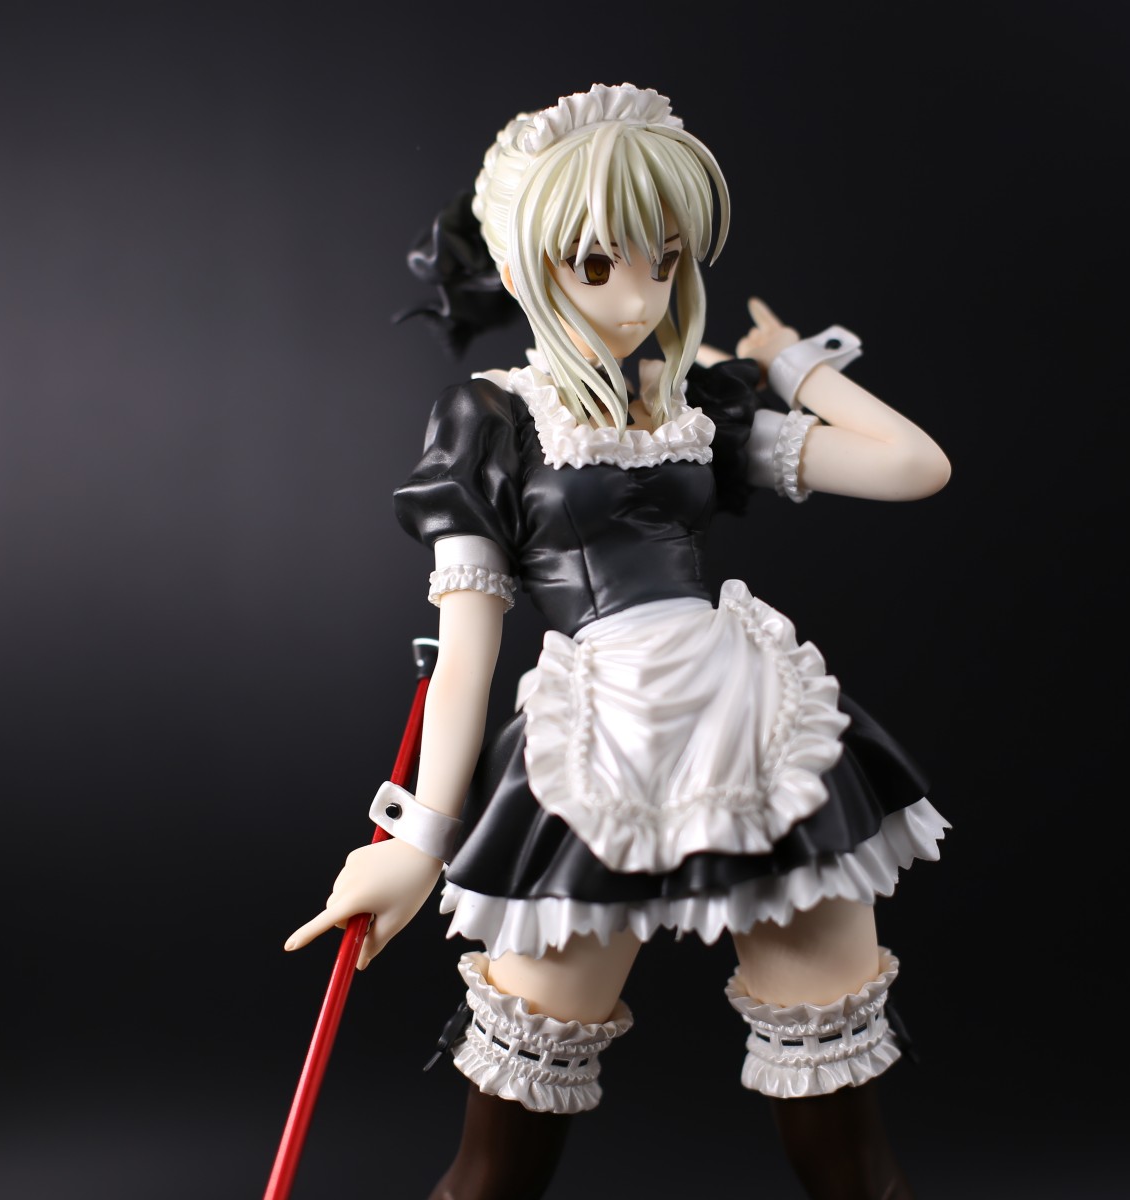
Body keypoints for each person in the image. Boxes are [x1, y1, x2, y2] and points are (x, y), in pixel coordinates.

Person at [286, 83, 952, 1199]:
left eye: (666, 260)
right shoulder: (493, 418)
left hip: (754, 732)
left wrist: (795, 366)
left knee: (843, 1127)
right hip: (593, 756)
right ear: (525, 266)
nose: (639, 298)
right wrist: (418, 839)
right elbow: (466, 652)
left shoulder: (695, 405)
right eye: (596, 265)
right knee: (501, 1151)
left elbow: (913, 466)